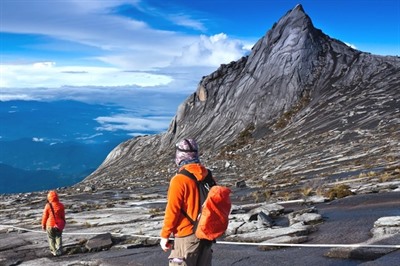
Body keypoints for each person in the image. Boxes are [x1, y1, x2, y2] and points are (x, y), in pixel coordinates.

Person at [160, 138, 215, 266]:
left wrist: (165, 236)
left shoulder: (179, 180)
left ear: (179, 155)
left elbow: (172, 211)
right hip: (206, 235)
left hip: (186, 237)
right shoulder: (209, 177)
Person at [41, 190, 66, 256]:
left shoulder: (47, 205)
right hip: (58, 225)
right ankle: (59, 249)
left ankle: (54, 251)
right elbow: (62, 216)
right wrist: (63, 223)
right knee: (58, 237)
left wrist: (43, 225)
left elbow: (45, 216)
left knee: (51, 238)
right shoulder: (61, 205)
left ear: (49, 198)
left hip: (49, 225)